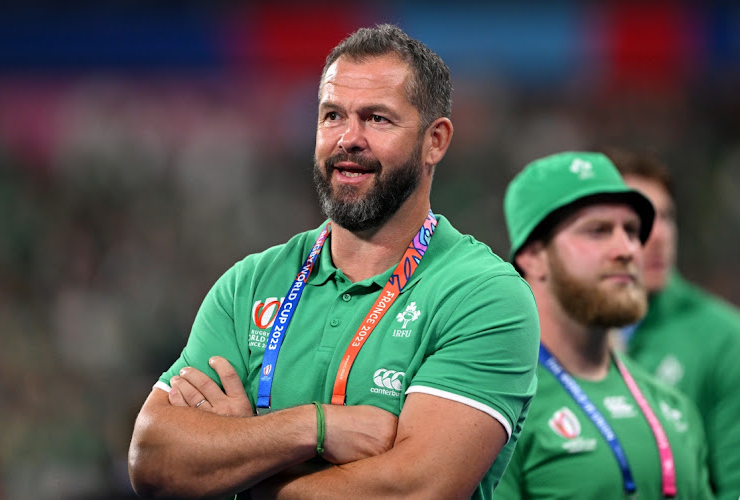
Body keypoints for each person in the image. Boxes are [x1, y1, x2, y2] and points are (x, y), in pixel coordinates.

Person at [128, 24, 540, 499]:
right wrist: (315, 427)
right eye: (332, 116)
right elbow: (152, 460)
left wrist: (246, 459)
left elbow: (413, 489)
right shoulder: (249, 284)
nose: (349, 138)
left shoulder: (483, 295)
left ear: (436, 141)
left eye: (377, 119)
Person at [495, 151, 714, 499]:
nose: (627, 249)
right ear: (534, 256)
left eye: (631, 230)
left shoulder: (672, 405)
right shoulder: (495, 407)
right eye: (597, 231)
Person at [603, 146, 740, 500]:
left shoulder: (724, 337)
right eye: (639, 221)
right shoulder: (555, 340)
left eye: (666, 217)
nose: (659, 235)